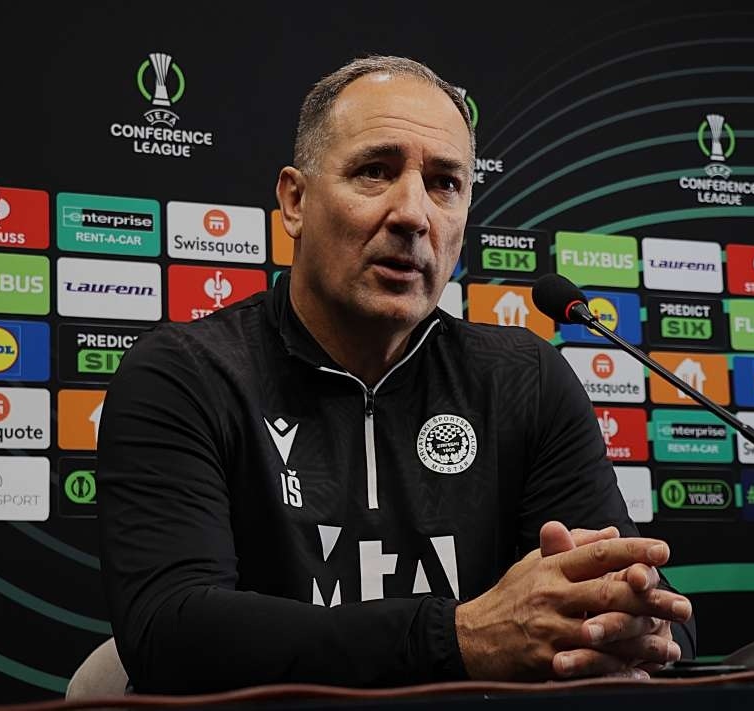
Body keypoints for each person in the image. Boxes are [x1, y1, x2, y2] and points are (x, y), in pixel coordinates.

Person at [97, 54, 695, 694]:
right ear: (295, 201)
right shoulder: (185, 374)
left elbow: (661, 625)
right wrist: (461, 639)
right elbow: (170, 633)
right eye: (375, 172)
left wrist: (630, 616)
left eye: (445, 184)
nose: (413, 214)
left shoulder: (526, 379)